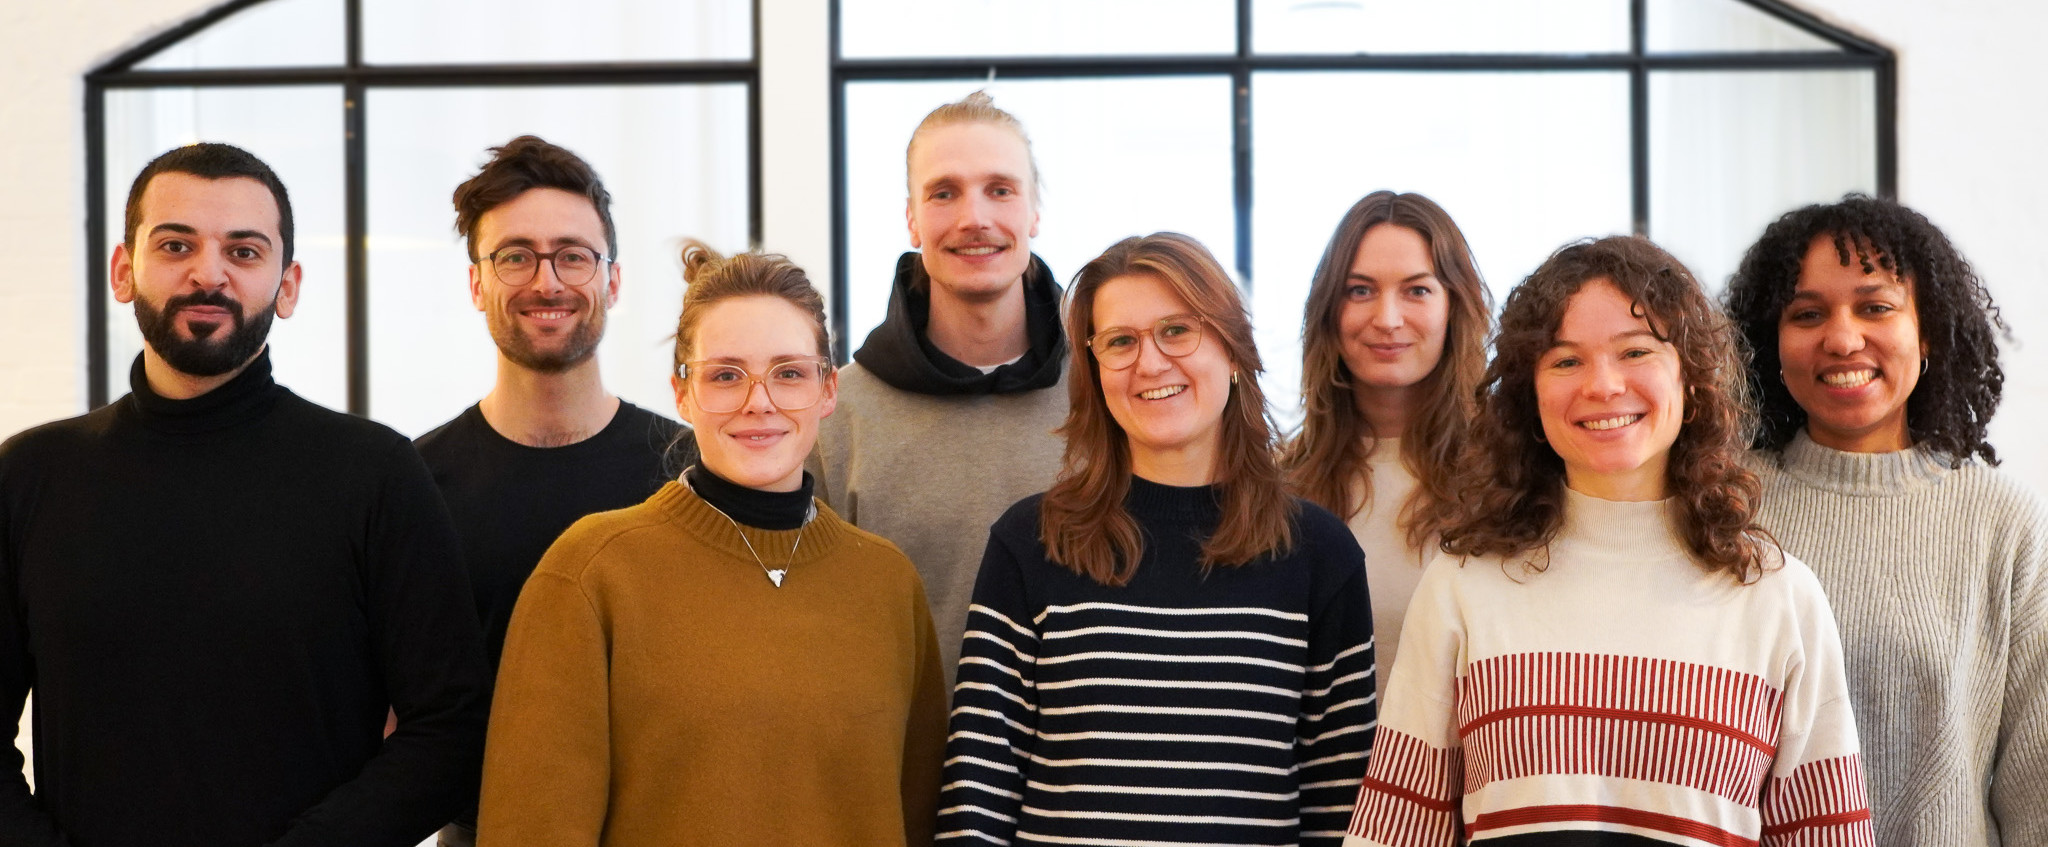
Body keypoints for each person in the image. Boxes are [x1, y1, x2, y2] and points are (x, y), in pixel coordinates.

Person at [0, 143, 488, 846]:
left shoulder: (373, 472)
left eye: (245, 251)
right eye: (176, 244)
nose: (209, 273)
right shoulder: (32, 475)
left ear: (287, 286)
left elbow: (452, 726)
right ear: (123, 270)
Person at [1346, 236, 1872, 847]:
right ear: (1530, 397)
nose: (1602, 385)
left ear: (1693, 380)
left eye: (1636, 351)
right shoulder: (1464, 584)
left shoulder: (1778, 596)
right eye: (1565, 361)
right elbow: (1397, 832)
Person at [478, 244, 946, 846]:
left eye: (789, 373)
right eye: (726, 375)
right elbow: (531, 831)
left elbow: (918, 821)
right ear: (682, 393)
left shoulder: (887, 583)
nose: (760, 401)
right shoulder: (592, 573)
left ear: (828, 390)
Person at [938, 233, 1375, 847]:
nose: (1149, 363)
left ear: (1231, 349)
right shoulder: (1029, 540)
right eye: (1120, 342)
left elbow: (1340, 804)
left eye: (1177, 330)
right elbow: (978, 795)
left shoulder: (1319, 553)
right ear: (1094, 371)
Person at [1725, 195, 2047, 846]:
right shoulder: (1724, 504)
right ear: (1772, 343)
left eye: (1875, 306)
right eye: (1807, 313)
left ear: (1926, 331)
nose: (1842, 338)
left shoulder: (2001, 523)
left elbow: (2036, 787)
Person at [413, 136, 692, 846]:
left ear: (613, 280)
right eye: (515, 256)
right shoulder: (415, 481)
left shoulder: (688, 467)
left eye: (573, 255)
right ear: (477, 283)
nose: (547, 281)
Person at [813, 91, 1068, 677]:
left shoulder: (1112, 401)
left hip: (1078, 767)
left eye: (999, 190)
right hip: (893, 767)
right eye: (944, 192)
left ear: (1033, 212)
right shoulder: (833, 415)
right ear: (911, 219)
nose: (973, 218)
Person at [1280, 190, 1491, 703]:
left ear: (1453, 307)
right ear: (1329, 310)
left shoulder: (1510, 478)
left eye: (1416, 290)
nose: (1388, 318)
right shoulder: (1278, 485)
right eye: (1360, 290)